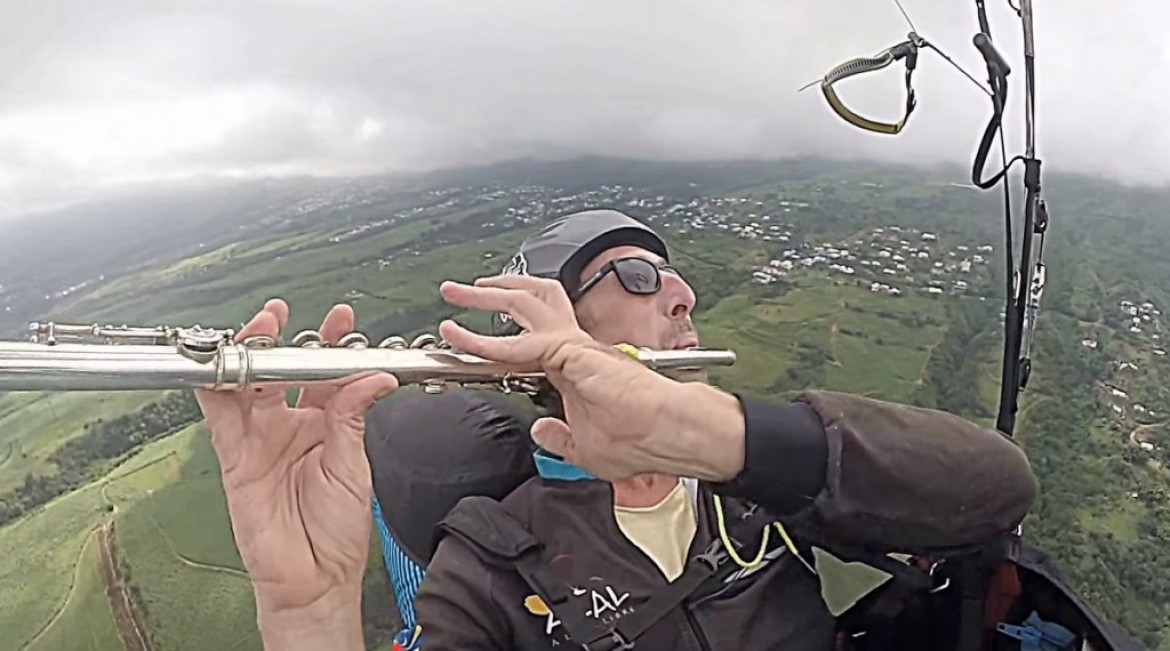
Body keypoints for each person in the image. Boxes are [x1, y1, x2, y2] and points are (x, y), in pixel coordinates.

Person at [194, 208, 1039, 650]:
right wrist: (306, 613)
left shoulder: (752, 481)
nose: (683, 296)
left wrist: (711, 435)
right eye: (637, 275)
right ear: (548, 341)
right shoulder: (492, 558)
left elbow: (999, 488)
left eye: (676, 276)